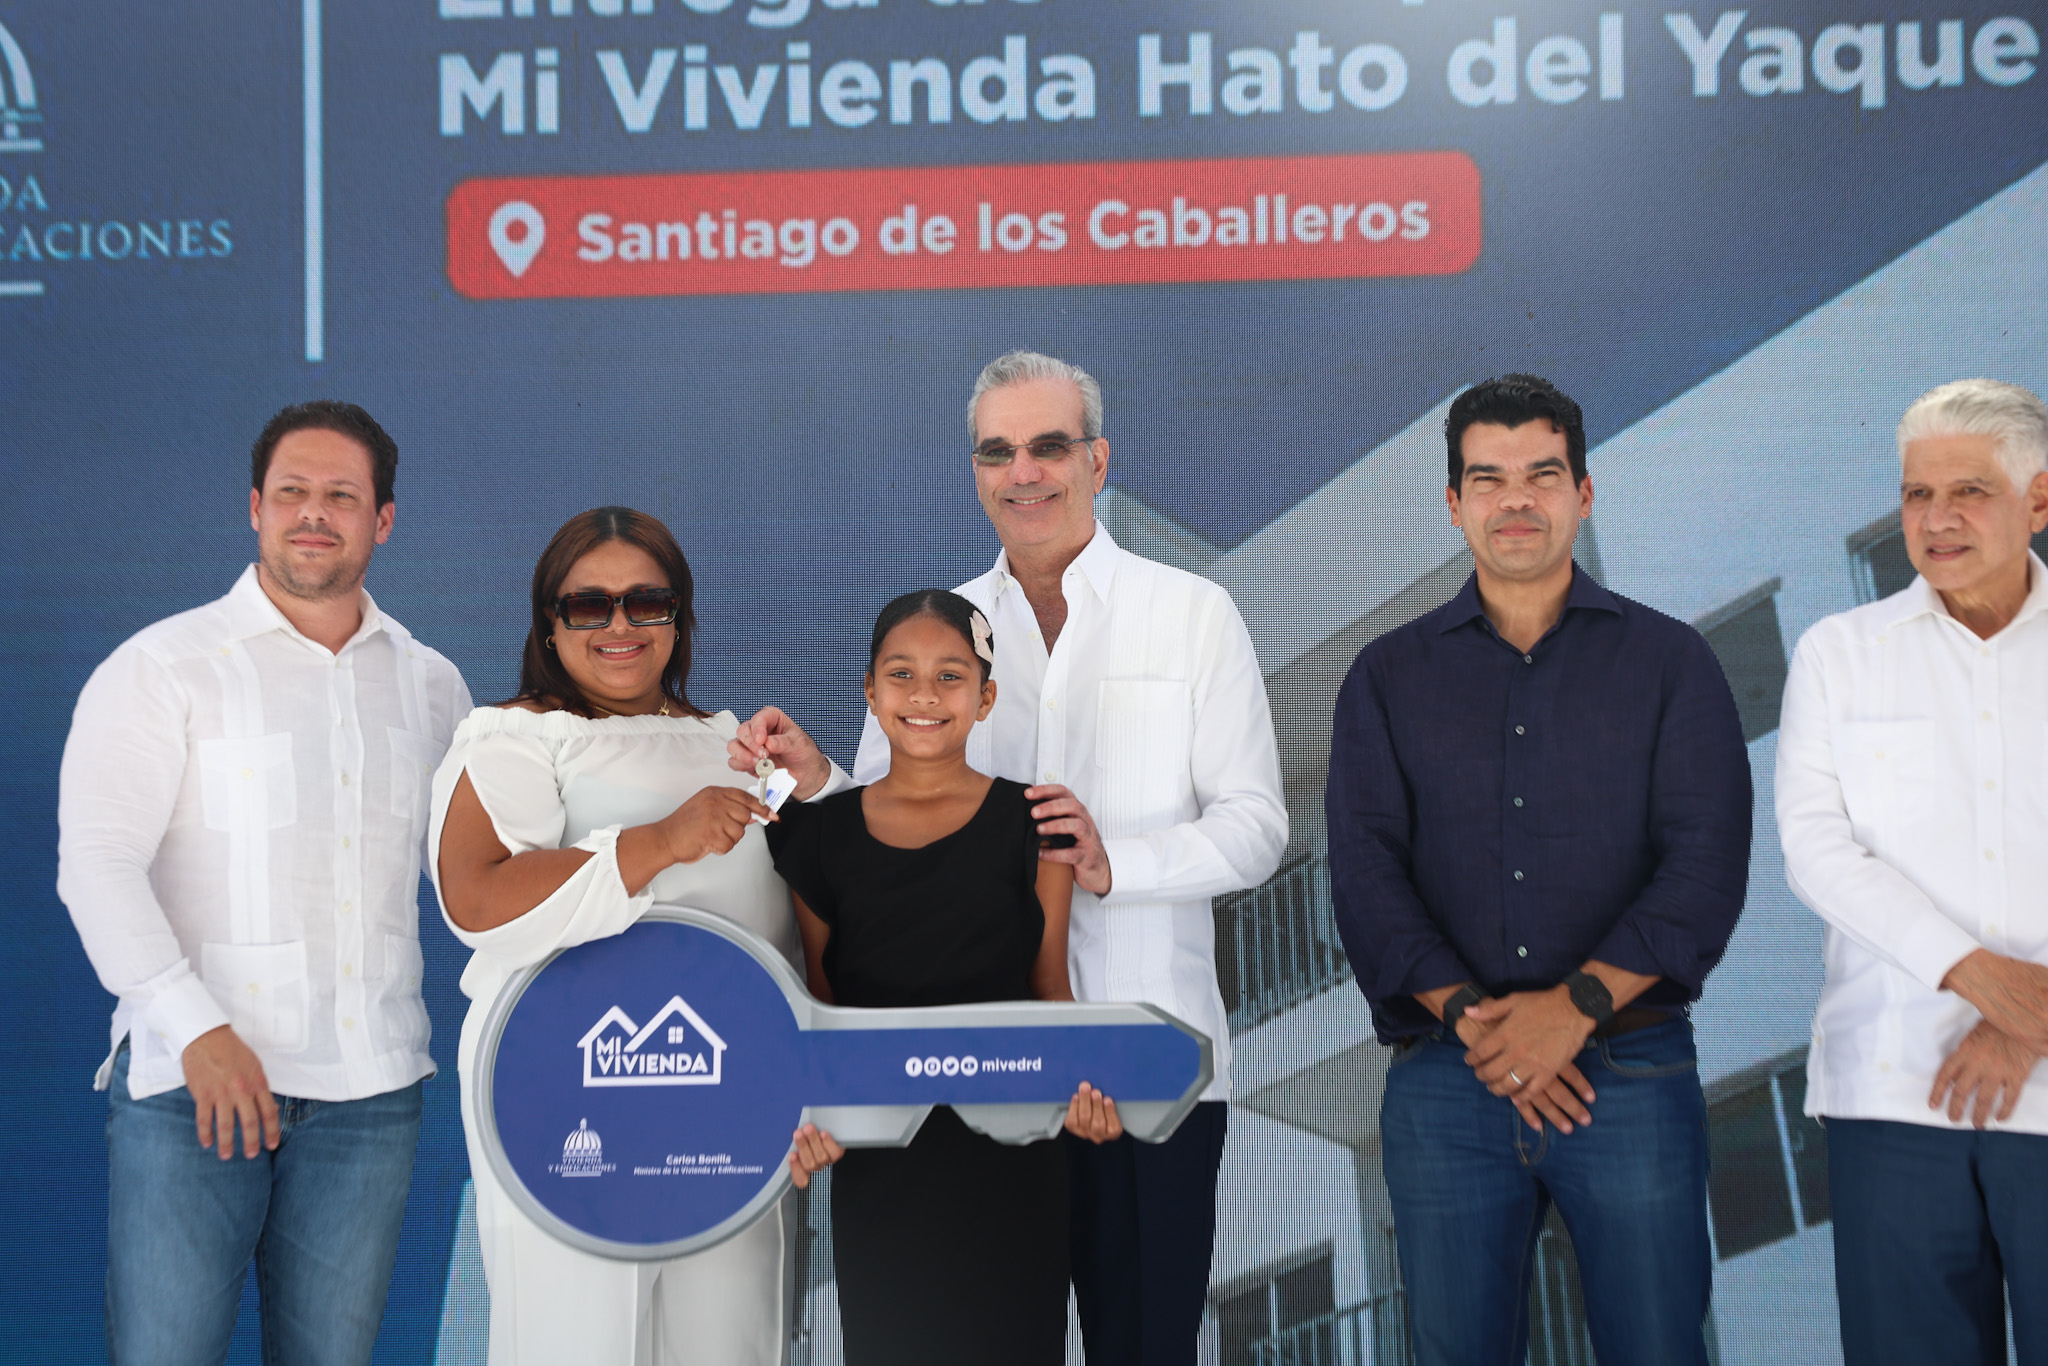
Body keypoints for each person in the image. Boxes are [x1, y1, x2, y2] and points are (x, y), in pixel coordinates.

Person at [732, 350, 1287, 1364]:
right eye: (998, 451)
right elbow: (877, 842)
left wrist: (1114, 862)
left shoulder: (1191, 613)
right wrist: (809, 784)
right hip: (972, 1093)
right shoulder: (938, 631)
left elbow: (1256, 826)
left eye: (1048, 446)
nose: (1023, 472)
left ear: (1097, 460)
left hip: (1140, 1071)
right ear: (976, 471)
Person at [1325, 374, 1752, 1365]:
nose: (1515, 499)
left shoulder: (1670, 661)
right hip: (1448, 1083)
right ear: (1453, 502)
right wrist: (1488, 1031)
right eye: (1487, 478)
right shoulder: (1386, 677)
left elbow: (1704, 863)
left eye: (1541, 475)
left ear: (1583, 493)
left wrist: (1575, 1008)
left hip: (1630, 1077)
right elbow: (1364, 876)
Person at [56, 401, 471, 1365]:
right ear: (255, 508)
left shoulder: (433, 686)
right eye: (292, 491)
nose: (313, 513)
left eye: (342, 496)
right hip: (191, 1087)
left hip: (369, 1101)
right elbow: (98, 864)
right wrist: (194, 1028)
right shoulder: (162, 667)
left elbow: (477, 876)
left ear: (384, 519)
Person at [430, 506, 812, 1366]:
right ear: (549, 622)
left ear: (679, 616)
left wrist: (817, 783)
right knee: (579, 1341)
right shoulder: (515, 739)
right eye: (588, 604)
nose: (619, 625)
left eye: (647, 601)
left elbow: (837, 891)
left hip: (728, 1099)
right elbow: (478, 899)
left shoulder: (737, 749)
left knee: (730, 1342)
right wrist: (661, 841)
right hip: (565, 1098)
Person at [774, 589, 1125, 1366]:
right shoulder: (818, 837)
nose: (925, 695)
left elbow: (1051, 990)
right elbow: (825, 1014)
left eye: (951, 676)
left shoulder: (1037, 824)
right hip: (883, 1174)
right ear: (869, 692)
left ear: (985, 698)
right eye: (901, 674)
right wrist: (818, 1120)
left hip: (1016, 1169)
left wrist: (1089, 1094)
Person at [1777, 378, 2048, 1365]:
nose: (1935, 521)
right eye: (1915, 495)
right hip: (1892, 1100)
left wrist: (2029, 1015)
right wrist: (1979, 976)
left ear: (2038, 500)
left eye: (1968, 491)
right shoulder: (1838, 655)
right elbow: (1816, 848)